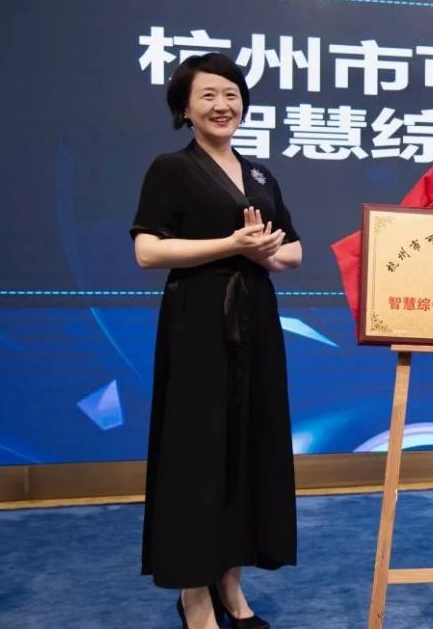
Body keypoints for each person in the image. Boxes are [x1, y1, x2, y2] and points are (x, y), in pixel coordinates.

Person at [131, 52, 302, 629]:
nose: (222, 105)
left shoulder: (261, 175)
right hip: (198, 322)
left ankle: (230, 583)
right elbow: (148, 251)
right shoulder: (171, 169)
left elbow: (294, 250)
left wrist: (264, 253)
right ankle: (193, 593)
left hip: (257, 321)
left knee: (247, 448)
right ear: (185, 108)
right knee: (196, 454)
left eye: (231, 94)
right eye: (207, 95)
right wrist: (232, 245)